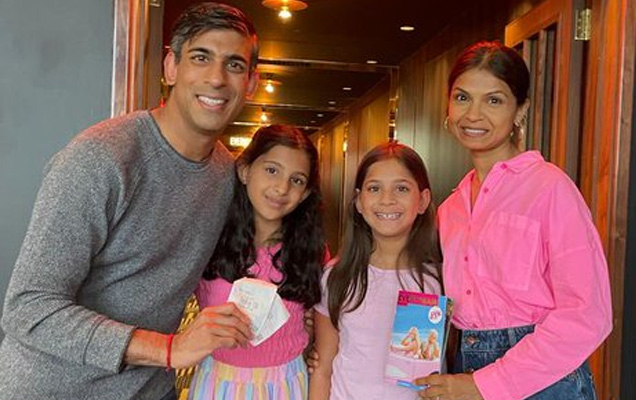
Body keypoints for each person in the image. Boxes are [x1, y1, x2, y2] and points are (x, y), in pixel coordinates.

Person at [0, 3, 259, 399]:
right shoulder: (99, 158)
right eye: (200, 57)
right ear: (171, 67)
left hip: (151, 390)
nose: (217, 78)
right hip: (54, 390)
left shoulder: (228, 176)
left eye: (234, 65)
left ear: (251, 82)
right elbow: (28, 308)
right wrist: (169, 349)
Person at [415, 41, 612, 400]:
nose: (473, 115)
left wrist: (486, 384)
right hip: (464, 367)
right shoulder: (450, 209)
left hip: (546, 381)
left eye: (494, 100)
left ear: (521, 110)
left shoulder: (550, 188)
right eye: (462, 98)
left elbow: (588, 315)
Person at [186, 124, 327, 400]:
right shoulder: (210, 241)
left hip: (285, 384)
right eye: (272, 170)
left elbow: (317, 322)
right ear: (245, 170)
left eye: (297, 180)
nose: (281, 188)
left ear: (306, 193)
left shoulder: (313, 252)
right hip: (218, 382)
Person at [309, 142, 443, 400]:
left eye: (401, 188)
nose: (387, 200)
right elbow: (322, 367)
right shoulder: (336, 276)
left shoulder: (439, 280)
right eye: (374, 188)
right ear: (359, 201)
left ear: (423, 200)